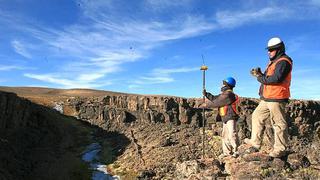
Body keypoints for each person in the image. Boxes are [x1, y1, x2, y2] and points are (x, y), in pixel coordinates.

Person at [245, 37, 293, 158]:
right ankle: (255, 143)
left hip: (277, 97)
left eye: (271, 50)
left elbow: (276, 79)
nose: (269, 52)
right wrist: (261, 74)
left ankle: (280, 148)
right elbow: (268, 77)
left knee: (278, 123)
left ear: (279, 49)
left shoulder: (284, 61)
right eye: (269, 50)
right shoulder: (274, 62)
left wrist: (259, 77)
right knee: (257, 116)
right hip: (267, 98)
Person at [203, 77, 240, 158]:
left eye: (223, 83)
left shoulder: (229, 94)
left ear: (227, 84)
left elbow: (217, 102)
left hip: (230, 117)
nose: (221, 85)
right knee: (225, 135)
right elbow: (215, 98)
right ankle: (227, 153)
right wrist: (207, 94)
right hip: (226, 117)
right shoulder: (225, 94)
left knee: (232, 134)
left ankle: (236, 151)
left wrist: (206, 104)